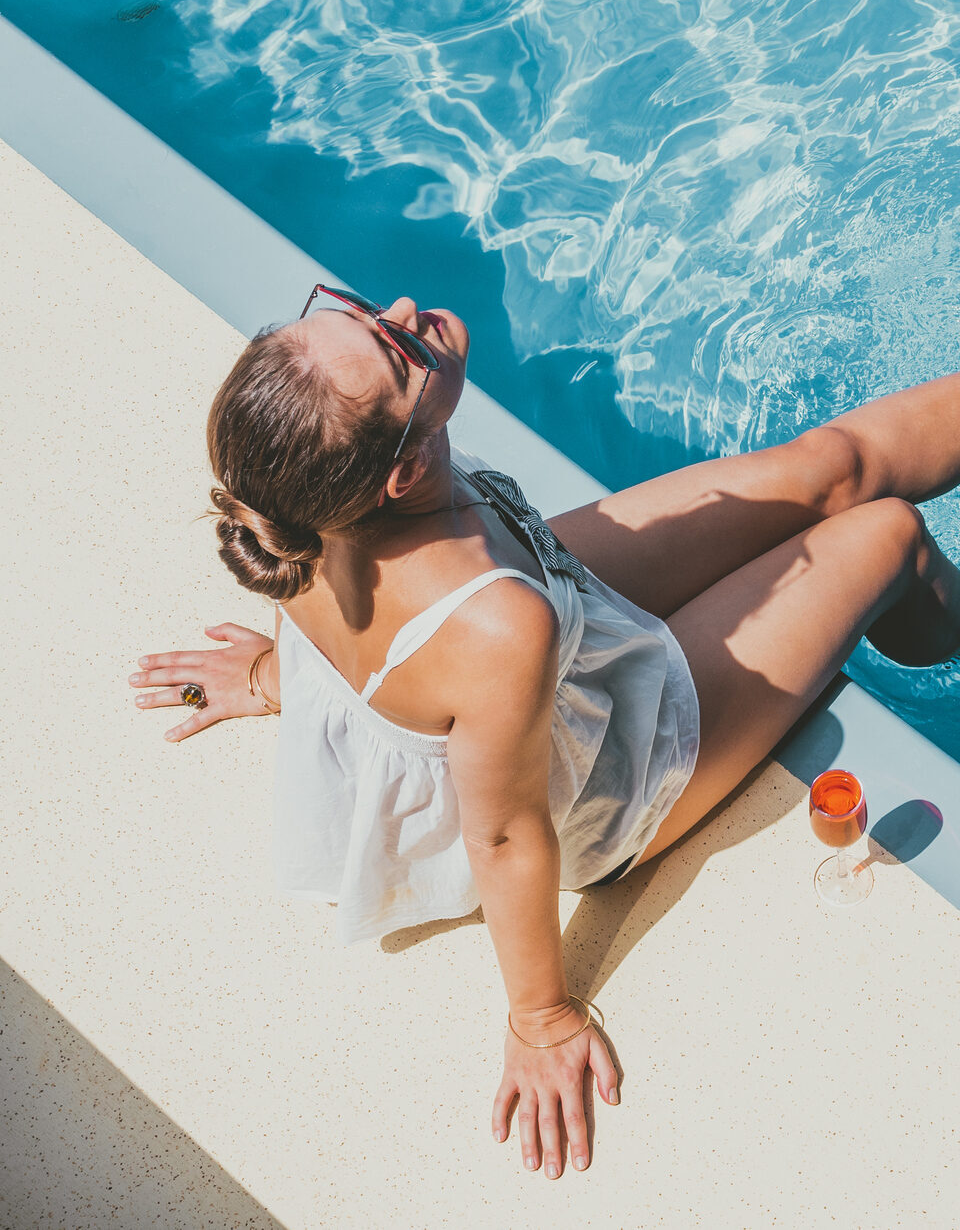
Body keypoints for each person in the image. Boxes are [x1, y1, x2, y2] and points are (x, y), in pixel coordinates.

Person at [129, 284, 960, 1181]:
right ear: (401, 474)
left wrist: (273, 677)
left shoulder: (297, 502)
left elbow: (343, 644)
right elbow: (502, 831)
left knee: (827, 467)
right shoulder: (493, 628)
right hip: (617, 770)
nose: (405, 309)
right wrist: (541, 1017)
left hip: (561, 612)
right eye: (396, 349)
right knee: (888, 534)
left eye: (358, 310)